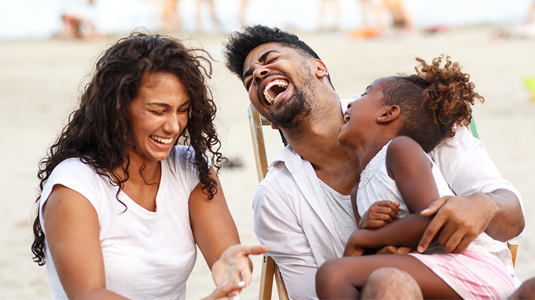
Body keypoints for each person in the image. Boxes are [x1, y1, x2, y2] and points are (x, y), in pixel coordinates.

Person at [222, 25, 524, 299]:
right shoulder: (276, 198)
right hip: (391, 290)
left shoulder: (412, 117)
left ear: (319, 68)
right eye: (250, 78)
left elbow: (513, 218)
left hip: (476, 280)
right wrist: (360, 247)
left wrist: (487, 205)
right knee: (387, 283)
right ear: (269, 120)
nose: (259, 73)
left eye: (270, 59)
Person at [31, 32, 267, 299]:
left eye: (182, 109)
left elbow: (226, 254)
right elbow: (89, 294)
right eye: (158, 111)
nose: (174, 125)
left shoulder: (190, 168)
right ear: (117, 108)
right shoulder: (75, 186)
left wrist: (232, 266)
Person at [315, 55, 517, 299]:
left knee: (334, 273)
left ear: (388, 113)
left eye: (363, 95)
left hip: (469, 267)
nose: (349, 104)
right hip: (425, 277)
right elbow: (374, 253)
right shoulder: (359, 191)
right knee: (343, 273)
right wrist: (365, 236)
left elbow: (433, 221)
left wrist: (364, 236)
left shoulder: (400, 150)